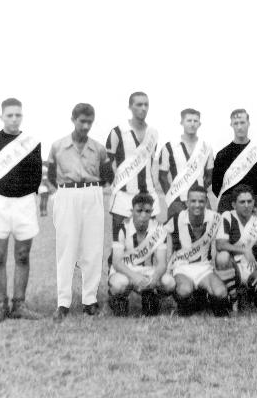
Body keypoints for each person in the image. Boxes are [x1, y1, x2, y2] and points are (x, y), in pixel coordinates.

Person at [0, 98, 42, 324]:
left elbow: (36, 176)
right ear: (1, 116)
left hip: (24, 204)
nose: (14, 119)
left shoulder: (31, 143)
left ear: (22, 116)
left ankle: (19, 305)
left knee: (23, 255)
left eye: (18, 115)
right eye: (10, 115)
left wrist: (24, 195)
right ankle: (0, 306)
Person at [48, 103, 114, 323]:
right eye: (82, 121)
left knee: (93, 248)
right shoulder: (58, 146)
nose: (85, 126)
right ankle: (63, 303)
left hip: (91, 194)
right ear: (73, 119)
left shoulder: (98, 148)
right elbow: (50, 176)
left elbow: (106, 176)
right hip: (67, 194)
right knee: (66, 249)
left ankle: (89, 300)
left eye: (89, 122)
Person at [164, 185, 229, 316]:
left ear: (206, 202)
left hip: (204, 267)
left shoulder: (215, 218)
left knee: (221, 293)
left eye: (201, 201)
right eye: (193, 201)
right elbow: (163, 237)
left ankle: (204, 297)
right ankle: (190, 301)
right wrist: (167, 268)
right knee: (184, 291)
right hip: (182, 267)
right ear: (187, 202)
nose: (197, 205)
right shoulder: (177, 218)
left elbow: (222, 243)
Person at [108, 193, 175, 316]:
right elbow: (117, 262)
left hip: (148, 270)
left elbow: (161, 262)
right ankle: (118, 300)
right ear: (131, 211)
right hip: (126, 270)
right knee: (119, 284)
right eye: (139, 211)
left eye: (147, 211)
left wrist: (154, 279)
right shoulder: (121, 228)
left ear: (152, 212)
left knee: (169, 282)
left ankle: (152, 297)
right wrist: (135, 277)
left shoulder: (158, 230)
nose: (143, 216)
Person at [106, 92, 161, 241]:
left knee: (147, 243)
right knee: (120, 241)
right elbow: (108, 162)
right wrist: (118, 184)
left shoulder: (153, 133)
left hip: (148, 194)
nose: (143, 108)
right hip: (123, 196)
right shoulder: (118, 131)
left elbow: (150, 161)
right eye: (139, 104)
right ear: (130, 107)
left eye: (146, 104)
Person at [214, 184, 257, 311]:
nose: (246, 205)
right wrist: (244, 250)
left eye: (249, 201)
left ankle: (249, 296)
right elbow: (220, 245)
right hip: (233, 267)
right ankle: (233, 298)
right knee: (222, 257)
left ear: (254, 203)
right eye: (242, 202)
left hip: (251, 266)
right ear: (233, 204)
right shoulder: (227, 216)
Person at [158, 108, 214, 219]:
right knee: (176, 233)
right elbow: (162, 176)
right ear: (182, 122)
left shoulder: (206, 147)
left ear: (199, 124)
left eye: (195, 121)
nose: (192, 124)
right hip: (178, 201)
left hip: (201, 200)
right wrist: (172, 197)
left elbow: (210, 175)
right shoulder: (169, 147)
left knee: (205, 232)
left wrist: (199, 189)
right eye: (189, 120)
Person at [212, 109, 257, 214]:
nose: (239, 127)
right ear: (231, 125)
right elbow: (216, 187)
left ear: (248, 123)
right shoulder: (222, 155)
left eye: (242, 122)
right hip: (228, 207)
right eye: (236, 123)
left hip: (253, 205)